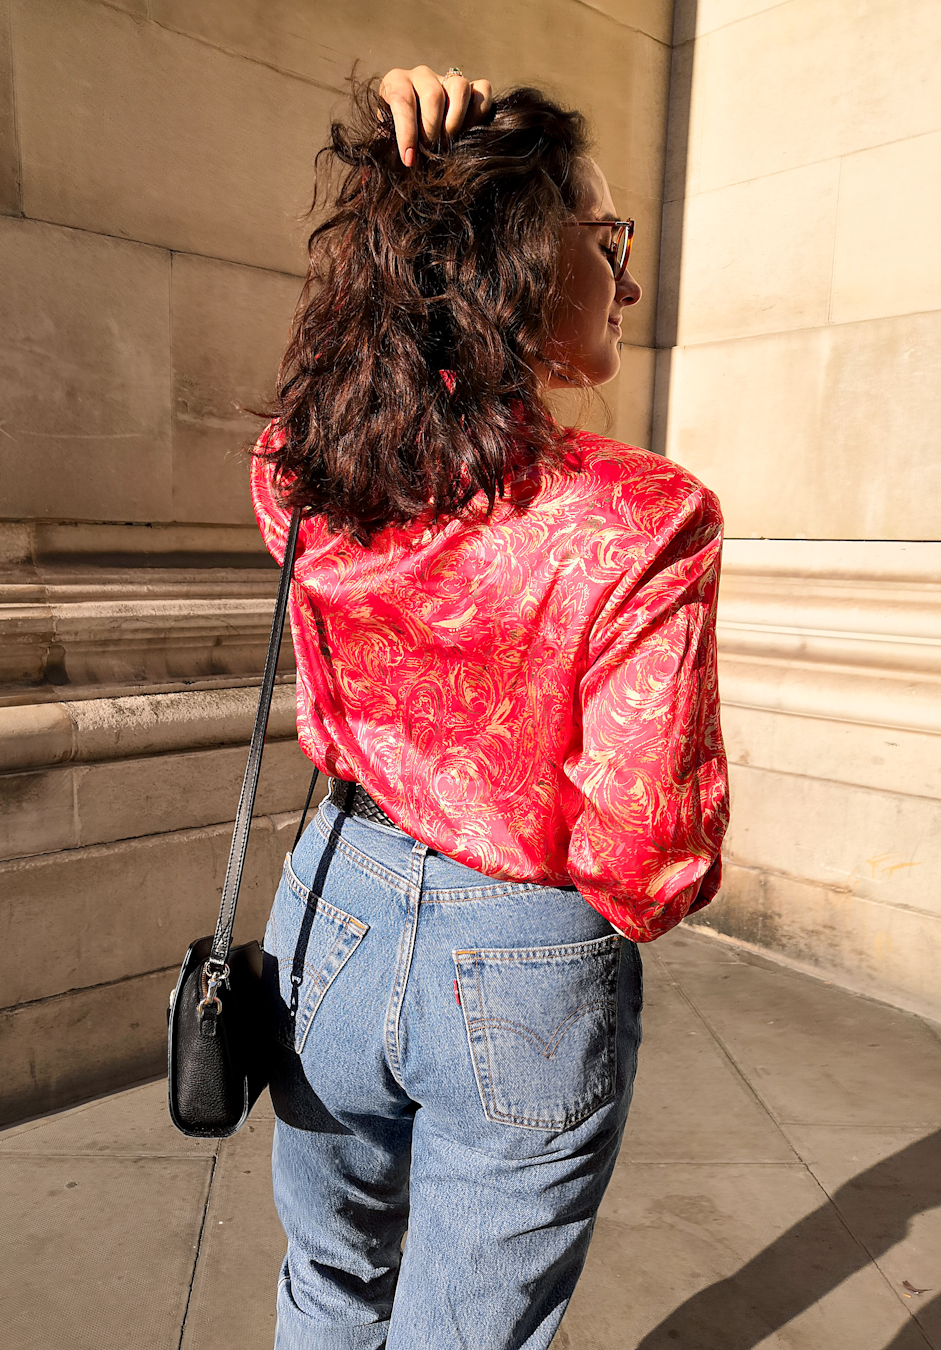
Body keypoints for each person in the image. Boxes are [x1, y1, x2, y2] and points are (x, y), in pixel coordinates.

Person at [249, 65, 728, 1350]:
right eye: (607, 238)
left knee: (327, 1281)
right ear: (522, 249)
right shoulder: (642, 520)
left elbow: (346, 370)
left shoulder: (306, 466)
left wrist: (400, 184)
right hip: (524, 958)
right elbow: (645, 864)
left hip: (330, 913)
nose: (626, 279)